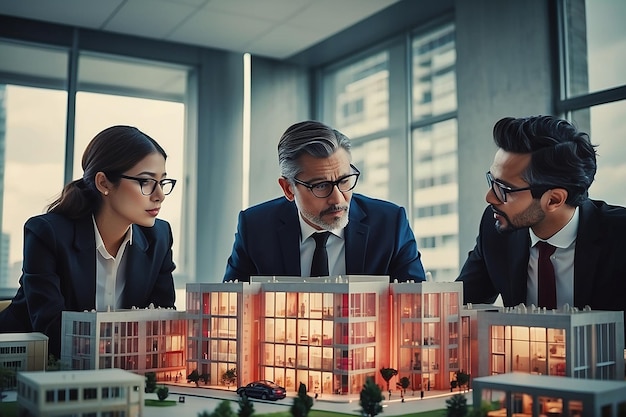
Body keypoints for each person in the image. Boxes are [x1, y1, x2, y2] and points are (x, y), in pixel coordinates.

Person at [0, 125, 177, 358]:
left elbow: (162, 324)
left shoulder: (159, 237)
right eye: (145, 182)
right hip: (25, 364)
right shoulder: (47, 234)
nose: (160, 195)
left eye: (162, 182)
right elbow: (53, 331)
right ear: (104, 183)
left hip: (119, 373)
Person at [456, 115, 626, 326]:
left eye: (503, 190)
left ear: (554, 199)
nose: (489, 197)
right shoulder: (496, 228)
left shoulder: (620, 237)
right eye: (492, 181)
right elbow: (456, 307)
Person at [223, 120, 425, 283]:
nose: (338, 198)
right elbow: (230, 309)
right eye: (321, 186)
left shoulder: (390, 224)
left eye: (344, 180)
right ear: (288, 189)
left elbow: (416, 309)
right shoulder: (255, 227)